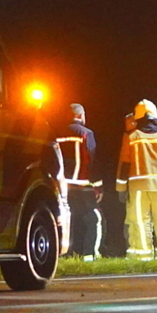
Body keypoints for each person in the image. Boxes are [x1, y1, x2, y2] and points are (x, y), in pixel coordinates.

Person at [117, 99, 157, 261]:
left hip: (138, 186)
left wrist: (121, 189)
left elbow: (124, 164)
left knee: (140, 221)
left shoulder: (132, 137)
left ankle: (145, 256)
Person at [56, 103, 102, 261]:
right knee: (92, 219)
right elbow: (91, 159)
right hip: (82, 184)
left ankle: (67, 254)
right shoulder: (86, 133)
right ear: (81, 116)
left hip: (62, 185)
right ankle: (89, 254)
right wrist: (97, 186)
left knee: (68, 219)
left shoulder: (56, 133)